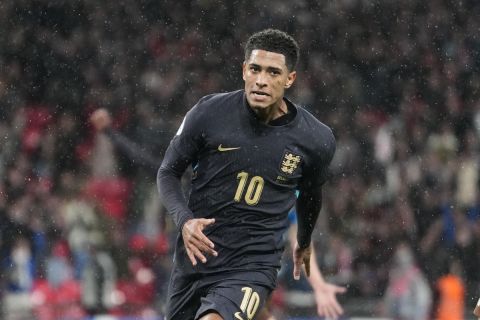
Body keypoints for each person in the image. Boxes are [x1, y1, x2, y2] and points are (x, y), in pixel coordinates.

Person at [91, 108, 345, 319]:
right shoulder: (199, 178)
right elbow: (151, 165)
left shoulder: (274, 196)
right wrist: (111, 134)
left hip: (247, 267)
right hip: (201, 264)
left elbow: (299, 241)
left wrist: (319, 285)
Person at [157, 28, 339, 320]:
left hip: (252, 266)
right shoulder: (208, 113)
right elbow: (167, 172)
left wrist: (304, 242)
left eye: (273, 72)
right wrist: (185, 221)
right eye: (255, 69)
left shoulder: (315, 139)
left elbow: (310, 194)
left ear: (290, 79)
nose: (262, 81)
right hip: (195, 261)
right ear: (244, 70)